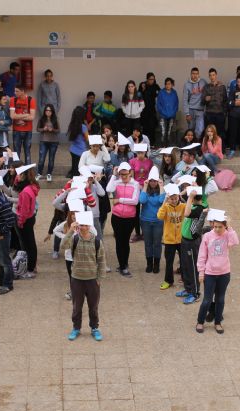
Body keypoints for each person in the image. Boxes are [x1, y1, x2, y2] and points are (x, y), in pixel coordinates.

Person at [61, 211, 107, 342]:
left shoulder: (97, 242)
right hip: (77, 279)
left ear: (90, 226)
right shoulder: (74, 239)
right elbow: (63, 246)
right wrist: (70, 230)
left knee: (93, 307)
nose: (83, 228)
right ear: (78, 225)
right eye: (81, 225)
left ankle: (94, 328)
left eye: (86, 225)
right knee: (77, 307)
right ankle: (76, 328)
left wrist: (99, 279)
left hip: (92, 280)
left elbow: (101, 261)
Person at [195, 209, 239, 334]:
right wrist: (201, 272)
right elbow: (202, 256)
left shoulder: (228, 234)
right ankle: (200, 321)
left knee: (220, 300)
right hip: (210, 273)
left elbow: (235, 242)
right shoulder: (207, 236)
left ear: (225, 226)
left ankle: (218, 322)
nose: (218, 229)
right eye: (215, 227)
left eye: (220, 227)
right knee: (207, 300)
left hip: (224, 273)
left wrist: (230, 228)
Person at [106, 162, 140, 277]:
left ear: (130, 173)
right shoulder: (116, 182)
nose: (124, 176)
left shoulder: (135, 184)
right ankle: (122, 265)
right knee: (119, 241)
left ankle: (124, 264)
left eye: (125, 174)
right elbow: (108, 189)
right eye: (121, 174)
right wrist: (114, 175)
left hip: (130, 218)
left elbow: (134, 201)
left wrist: (119, 200)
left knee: (125, 241)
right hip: (117, 216)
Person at [177, 186, 208, 304]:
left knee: (192, 268)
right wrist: (187, 190)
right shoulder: (193, 205)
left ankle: (195, 293)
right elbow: (179, 197)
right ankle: (188, 288)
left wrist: (190, 197)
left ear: (194, 198)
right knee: (185, 266)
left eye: (190, 197)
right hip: (185, 240)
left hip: (192, 242)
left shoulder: (200, 208)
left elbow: (186, 213)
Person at [157, 183, 185, 289]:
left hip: (181, 239)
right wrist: (164, 202)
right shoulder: (166, 207)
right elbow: (159, 216)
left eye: (175, 198)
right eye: (171, 199)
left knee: (184, 261)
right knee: (169, 262)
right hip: (169, 240)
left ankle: (185, 279)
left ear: (178, 197)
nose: (174, 200)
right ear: (168, 199)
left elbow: (190, 210)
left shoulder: (183, 206)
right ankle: (168, 281)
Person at [15, 164, 40, 278]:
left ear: (24, 176)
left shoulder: (25, 191)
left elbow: (24, 210)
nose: (17, 177)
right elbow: (16, 184)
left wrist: (20, 222)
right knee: (30, 244)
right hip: (30, 218)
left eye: (19, 175)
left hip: (25, 220)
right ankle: (32, 267)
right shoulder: (31, 187)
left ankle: (30, 268)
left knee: (28, 245)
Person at [139, 167, 165, 274]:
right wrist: (145, 186)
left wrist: (161, 186)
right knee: (148, 243)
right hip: (145, 221)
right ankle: (149, 264)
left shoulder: (162, 191)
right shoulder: (145, 190)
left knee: (157, 243)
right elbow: (142, 200)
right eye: (151, 181)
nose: (153, 183)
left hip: (158, 221)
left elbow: (162, 201)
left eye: (155, 181)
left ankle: (156, 264)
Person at [129, 143, 153, 242]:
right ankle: (137, 233)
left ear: (145, 152)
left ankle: (145, 233)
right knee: (136, 211)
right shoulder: (132, 161)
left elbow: (151, 175)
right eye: (138, 153)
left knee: (146, 210)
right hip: (136, 187)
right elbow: (131, 176)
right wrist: (135, 186)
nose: (140, 155)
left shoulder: (150, 162)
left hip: (147, 187)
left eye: (142, 153)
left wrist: (147, 186)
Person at [10, 85, 37, 164]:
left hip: (28, 130)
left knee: (27, 151)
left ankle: (27, 170)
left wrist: (18, 116)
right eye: (15, 91)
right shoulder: (13, 100)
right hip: (16, 130)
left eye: (17, 91)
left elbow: (32, 117)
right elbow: (12, 116)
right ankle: (16, 169)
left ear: (22, 91)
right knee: (16, 152)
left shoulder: (31, 100)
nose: (15, 93)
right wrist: (25, 115)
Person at [203, 68, 228, 146]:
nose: (212, 77)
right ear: (209, 76)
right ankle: (209, 148)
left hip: (220, 113)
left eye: (213, 75)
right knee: (209, 133)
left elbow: (225, 100)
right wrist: (206, 99)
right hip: (209, 113)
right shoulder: (206, 87)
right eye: (210, 75)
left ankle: (221, 149)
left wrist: (224, 113)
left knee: (221, 132)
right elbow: (202, 101)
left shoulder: (222, 87)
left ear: (216, 75)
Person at [36, 103, 60, 182]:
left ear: (52, 112)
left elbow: (58, 130)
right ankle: (39, 173)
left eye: (50, 111)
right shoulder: (42, 119)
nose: (48, 112)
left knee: (51, 159)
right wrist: (43, 129)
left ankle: (49, 174)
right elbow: (37, 129)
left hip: (54, 141)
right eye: (46, 110)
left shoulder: (55, 119)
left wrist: (52, 130)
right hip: (43, 141)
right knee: (41, 159)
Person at [183, 67, 207, 138]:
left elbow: (210, 87)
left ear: (199, 74)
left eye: (196, 74)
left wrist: (217, 83)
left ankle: (197, 143)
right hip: (190, 110)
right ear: (191, 74)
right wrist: (187, 113)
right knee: (191, 130)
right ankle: (190, 144)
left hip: (200, 110)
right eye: (193, 74)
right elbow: (185, 99)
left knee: (200, 129)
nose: (195, 75)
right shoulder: (187, 84)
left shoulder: (203, 82)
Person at [67, 106, 89, 178]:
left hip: (73, 149)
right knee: (79, 170)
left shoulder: (72, 125)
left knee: (74, 167)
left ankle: (71, 175)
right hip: (81, 151)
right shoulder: (83, 127)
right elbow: (87, 139)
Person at [157, 77, 179, 147]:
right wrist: (163, 112)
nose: (167, 85)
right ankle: (162, 148)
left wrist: (173, 112)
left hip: (172, 116)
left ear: (172, 85)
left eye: (169, 84)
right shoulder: (161, 92)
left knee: (170, 133)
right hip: (162, 116)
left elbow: (176, 104)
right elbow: (158, 105)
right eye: (166, 84)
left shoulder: (174, 92)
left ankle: (169, 148)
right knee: (163, 132)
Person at [139, 72, 160, 146]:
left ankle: (152, 143)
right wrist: (143, 90)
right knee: (145, 128)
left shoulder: (156, 86)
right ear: (147, 79)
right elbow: (138, 95)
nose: (152, 81)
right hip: (144, 111)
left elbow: (160, 94)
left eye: (153, 79)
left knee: (152, 127)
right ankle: (144, 144)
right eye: (150, 79)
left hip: (152, 110)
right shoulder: (143, 85)